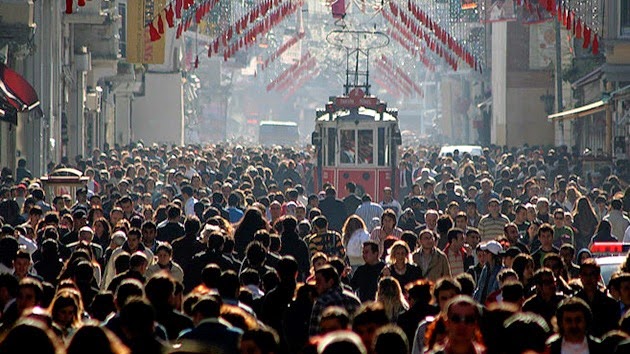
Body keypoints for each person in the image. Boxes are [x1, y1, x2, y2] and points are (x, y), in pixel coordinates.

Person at [177, 295, 242, 354]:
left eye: (194, 317)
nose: (193, 321)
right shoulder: (236, 336)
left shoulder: (187, 337)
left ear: (199, 315)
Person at [308, 264, 361, 336]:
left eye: (319, 281)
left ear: (330, 282)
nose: (316, 285)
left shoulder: (322, 302)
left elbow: (314, 334)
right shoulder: (354, 300)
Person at [573, 258, 619, 337]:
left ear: (598, 277)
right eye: (585, 274)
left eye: (592, 274)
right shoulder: (574, 302)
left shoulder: (609, 303)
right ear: (580, 277)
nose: (588, 278)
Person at [472, 240, 504, 304]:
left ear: (492, 254)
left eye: (486, 252)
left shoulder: (501, 271)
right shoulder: (485, 269)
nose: (484, 254)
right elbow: (479, 288)